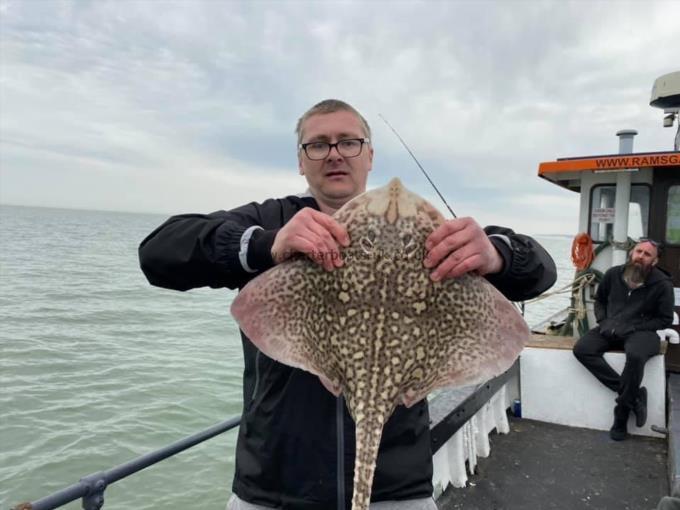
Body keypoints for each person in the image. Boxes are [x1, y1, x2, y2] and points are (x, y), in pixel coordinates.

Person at [138, 99, 557, 510]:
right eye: (318, 144)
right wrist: (268, 244)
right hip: (275, 489)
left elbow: (541, 270)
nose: (334, 153)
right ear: (301, 161)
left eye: (349, 142)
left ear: (369, 155)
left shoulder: (429, 233)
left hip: (397, 490)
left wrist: (496, 254)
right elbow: (158, 252)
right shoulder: (272, 219)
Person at [573, 239, 674, 441]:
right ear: (631, 253)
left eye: (647, 255)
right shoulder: (613, 274)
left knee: (635, 356)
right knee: (582, 349)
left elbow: (665, 319)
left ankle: (621, 416)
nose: (640, 256)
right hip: (610, 328)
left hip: (642, 332)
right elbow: (600, 300)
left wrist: (635, 326)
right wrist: (603, 321)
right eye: (638, 251)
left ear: (654, 261)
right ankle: (635, 396)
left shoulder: (662, 284)